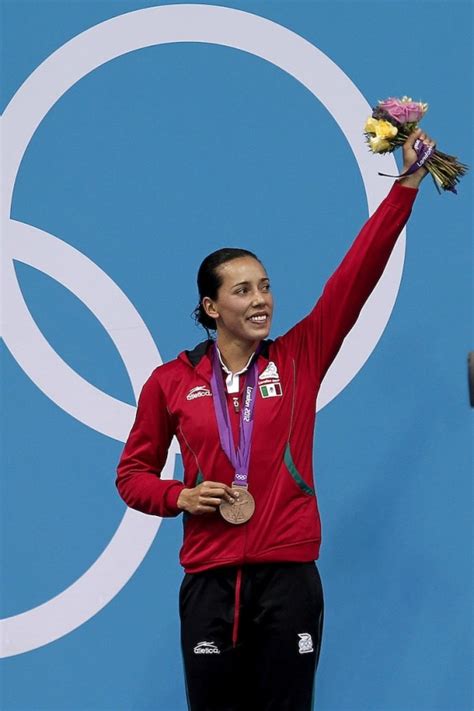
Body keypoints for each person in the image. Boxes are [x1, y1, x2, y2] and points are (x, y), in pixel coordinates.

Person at [116, 128, 435, 711]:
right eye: (243, 290)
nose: (261, 299)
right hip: (210, 582)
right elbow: (131, 475)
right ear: (212, 309)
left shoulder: (299, 358)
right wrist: (178, 497)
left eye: (265, 286)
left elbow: (358, 274)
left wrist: (407, 183)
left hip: (289, 579)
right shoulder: (170, 383)